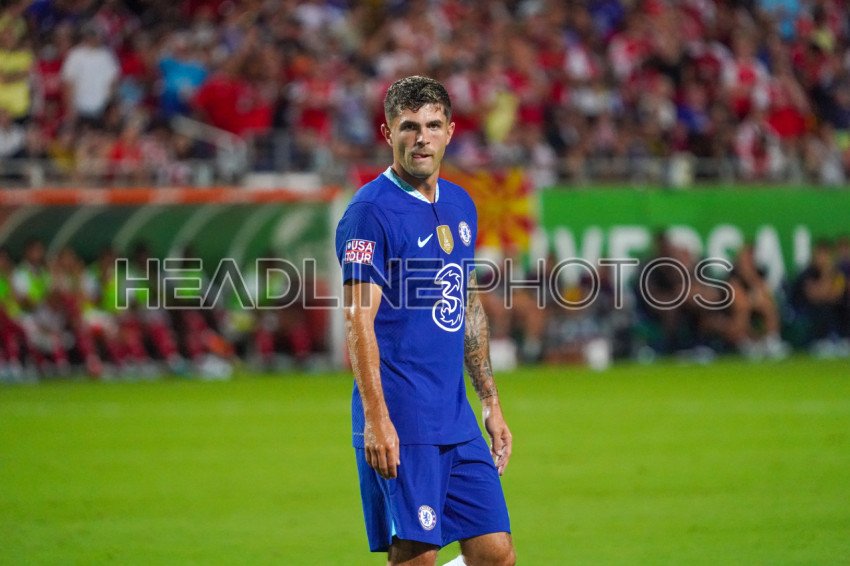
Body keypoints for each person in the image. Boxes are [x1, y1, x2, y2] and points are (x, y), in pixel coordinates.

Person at [335, 76, 515, 566]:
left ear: (450, 132)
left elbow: (467, 305)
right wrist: (376, 419)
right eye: (409, 126)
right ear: (387, 132)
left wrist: (490, 402)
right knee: (419, 557)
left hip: (455, 415)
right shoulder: (369, 213)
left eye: (433, 125)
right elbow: (358, 319)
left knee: (496, 554)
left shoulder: (460, 203)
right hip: (403, 416)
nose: (422, 138)